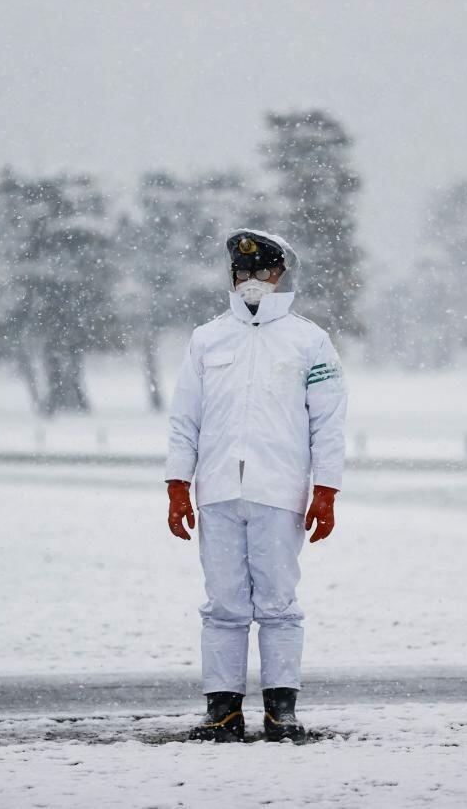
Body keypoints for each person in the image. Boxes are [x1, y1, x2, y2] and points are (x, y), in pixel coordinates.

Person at [165, 228, 348, 743]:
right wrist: (178, 482)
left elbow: (328, 421)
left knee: (278, 604)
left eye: (261, 271)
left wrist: (327, 489)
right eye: (242, 272)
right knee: (222, 605)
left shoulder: (310, 341)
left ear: (280, 274)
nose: (251, 280)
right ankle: (221, 711)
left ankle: (280, 711)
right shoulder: (207, 338)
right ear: (231, 275)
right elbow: (186, 419)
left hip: (280, 492)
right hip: (218, 490)